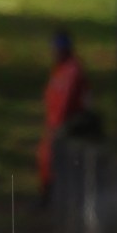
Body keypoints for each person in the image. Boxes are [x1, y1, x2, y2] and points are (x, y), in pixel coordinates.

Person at [37, 28, 91, 203]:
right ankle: (47, 192)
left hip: (65, 124)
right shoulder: (60, 70)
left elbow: (67, 101)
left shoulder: (71, 71)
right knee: (45, 155)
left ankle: (50, 194)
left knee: (51, 156)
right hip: (54, 123)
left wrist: (59, 124)